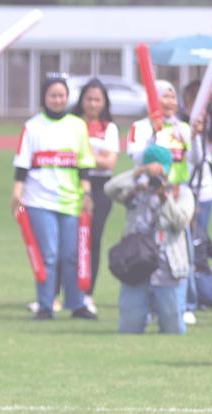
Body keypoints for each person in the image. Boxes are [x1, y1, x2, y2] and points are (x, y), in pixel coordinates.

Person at [13, 76, 96, 321]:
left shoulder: (77, 125)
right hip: (39, 199)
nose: (58, 100)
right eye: (53, 95)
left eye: (62, 95)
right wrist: (17, 192)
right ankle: (45, 305)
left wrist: (87, 194)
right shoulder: (33, 126)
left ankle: (76, 303)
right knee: (48, 254)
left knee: (72, 254)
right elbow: (22, 164)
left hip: (71, 200)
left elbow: (84, 164)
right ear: (44, 98)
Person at [106, 145, 194, 335]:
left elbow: (180, 223)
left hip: (168, 267)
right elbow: (109, 189)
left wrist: (165, 198)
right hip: (136, 265)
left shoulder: (180, 192)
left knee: (173, 330)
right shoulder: (136, 190)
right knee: (129, 328)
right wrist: (139, 173)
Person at [71, 79, 120, 314]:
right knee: (68, 243)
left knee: (93, 240)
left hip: (101, 188)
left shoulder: (108, 128)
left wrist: (82, 155)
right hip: (71, 184)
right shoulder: (71, 124)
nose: (92, 103)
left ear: (104, 102)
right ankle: (64, 293)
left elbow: (109, 162)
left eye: (97, 99)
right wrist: (93, 156)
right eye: (89, 98)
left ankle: (87, 292)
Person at [180, 79, 212, 321]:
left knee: (199, 239)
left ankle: (199, 282)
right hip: (184, 185)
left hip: (204, 187)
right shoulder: (179, 121)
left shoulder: (207, 121)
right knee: (183, 238)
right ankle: (186, 286)